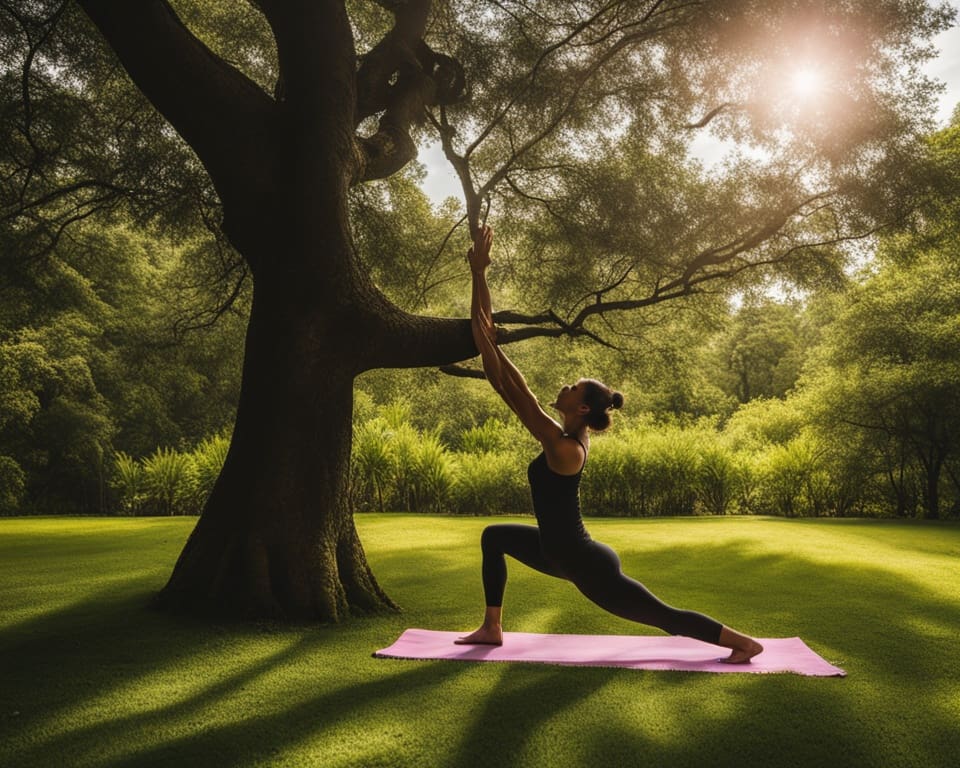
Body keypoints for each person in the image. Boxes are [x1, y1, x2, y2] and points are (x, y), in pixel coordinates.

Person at [455, 226, 763, 664]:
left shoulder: (564, 448)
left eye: (574, 386)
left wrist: (481, 282)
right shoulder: (562, 436)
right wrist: (483, 306)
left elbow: (505, 384)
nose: (565, 385)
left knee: (664, 617)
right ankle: (491, 627)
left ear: (581, 409)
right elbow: (506, 376)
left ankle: (744, 644)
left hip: (586, 565)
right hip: (553, 551)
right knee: (494, 537)